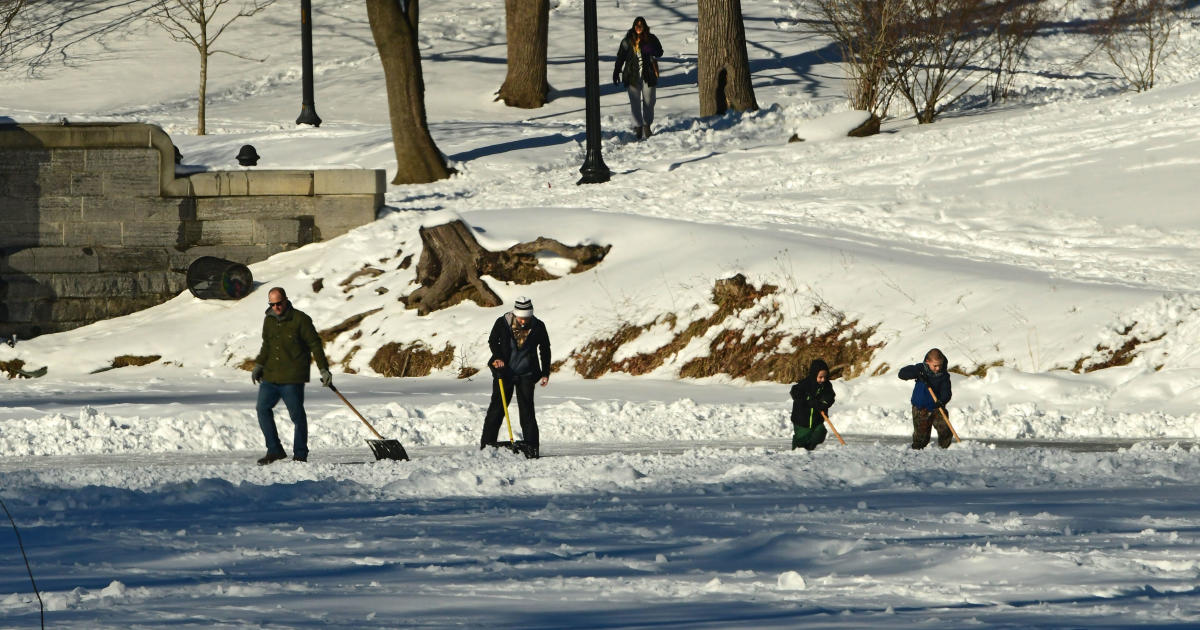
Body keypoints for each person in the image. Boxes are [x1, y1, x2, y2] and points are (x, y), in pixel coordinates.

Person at [251, 287, 331, 465]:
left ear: (286, 300)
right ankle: (275, 450)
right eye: (272, 304)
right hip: (271, 376)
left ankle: (300, 454)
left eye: (279, 303)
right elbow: (267, 346)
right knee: (262, 409)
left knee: (297, 416)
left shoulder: (300, 319)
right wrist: (259, 365)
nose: (276, 307)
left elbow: (315, 345)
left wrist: (323, 369)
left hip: (293, 377)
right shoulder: (269, 320)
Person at [480, 296, 551, 459]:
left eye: (527, 318)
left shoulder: (538, 326)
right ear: (515, 314)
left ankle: (532, 448)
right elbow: (492, 341)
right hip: (504, 372)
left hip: (527, 374)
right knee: (497, 409)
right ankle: (486, 447)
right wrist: (498, 357)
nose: (524, 321)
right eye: (521, 317)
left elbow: (545, 349)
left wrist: (545, 372)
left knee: (527, 411)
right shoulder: (503, 322)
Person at [612, 16, 663, 140]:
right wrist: (616, 72)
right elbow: (620, 58)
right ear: (634, 27)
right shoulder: (627, 41)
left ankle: (647, 125)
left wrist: (649, 48)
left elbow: (660, 52)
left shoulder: (651, 38)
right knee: (635, 103)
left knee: (649, 101)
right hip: (632, 76)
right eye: (637, 25)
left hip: (648, 75)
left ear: (644, 26)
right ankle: (638, 127)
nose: (639, 27)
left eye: (641, 25)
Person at [898, 348, 953, 449]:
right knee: (922, 437)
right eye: (935, 365)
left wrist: (942, 401)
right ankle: (916, 452)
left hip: (937, 406)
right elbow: (902, 374)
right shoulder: (920, 368)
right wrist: (917, 374)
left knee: (946, 430)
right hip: (920, 407)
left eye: (940, 365)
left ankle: (945, 451)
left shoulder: (944, 375)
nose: (938, 368)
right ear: (927, 362)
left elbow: (947, 392)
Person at [790, 359, 836, 451]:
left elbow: (830, 397)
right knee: (801, 440)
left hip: (817, 418)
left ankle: (809, 449)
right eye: (820, 377)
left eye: (825, 377)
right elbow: (795, 392)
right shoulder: (805, 384)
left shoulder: (827, 385)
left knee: (821, 433)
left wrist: (823, 404)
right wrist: (808, 400)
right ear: (814, 374)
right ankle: (797, 452)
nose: (823, 379)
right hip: (802, 419)